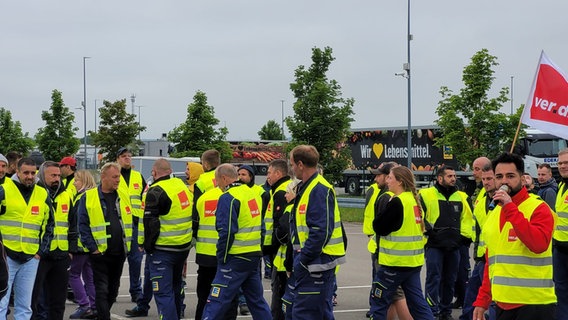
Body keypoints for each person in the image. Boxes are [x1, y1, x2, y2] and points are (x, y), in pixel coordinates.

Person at [473, 152, 557, 320]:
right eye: (499, 176)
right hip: (503, 303)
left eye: (510, 176)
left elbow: (538, 244)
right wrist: (482, 300)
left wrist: (510, 208)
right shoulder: (495, 213)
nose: (504, 181)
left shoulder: (539, 208)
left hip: (535, 304)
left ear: (522, 177)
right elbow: (491, 262)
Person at [201, 164, 271, 319]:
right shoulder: (252, 194)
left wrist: (222, 257)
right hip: (252, 256)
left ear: (224, 178)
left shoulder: (228, 197)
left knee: (216, 300)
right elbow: (262, 227)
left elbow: (226, 231)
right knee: (256, 301)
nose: (217, 184)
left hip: (235, 257)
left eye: (217, 180)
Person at [287, 145, 346, 319]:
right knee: (320, 313)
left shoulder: (319, 188)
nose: (291, 169)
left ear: (300, 164)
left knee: (304, 313)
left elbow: (320, 231)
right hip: (313, 261)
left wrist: (303, 260)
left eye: (291, 164)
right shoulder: (308, 187)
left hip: (316, 263)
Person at [369, 166, 433, 320]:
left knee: (378, 301)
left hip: (394, 263)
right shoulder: (413, 201)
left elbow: (379, 227)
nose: (387, 180)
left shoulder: (397, 202)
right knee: (417, 304)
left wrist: (387, 208)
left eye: (390, 177)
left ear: (399, 181)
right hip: (412, 264)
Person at [0, 158, 54, 320]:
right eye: (26, 173)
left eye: (33, 173)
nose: (30, 176)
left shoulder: (42, 193)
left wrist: (41, 252)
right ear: (17, 171)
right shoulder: (3, 190)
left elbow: (49, 224)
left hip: (31, 257)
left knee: (25, 306)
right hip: (6, 257)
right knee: (1, 303)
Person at [78, 162, 134, 320]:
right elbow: (82, 225)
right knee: (101, 290)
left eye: (119, 177)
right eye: (115, 177)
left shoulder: (122, 195)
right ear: (103, 177)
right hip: (100, 254)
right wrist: (93, 248)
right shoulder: (88, 197)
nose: (118, 180)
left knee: (113, 291)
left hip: (119, 253)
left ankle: (102, 314)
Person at [419, 165, 473, 320]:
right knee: (433, 278)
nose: (453, 179)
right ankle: (431, 311)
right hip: (435, 245)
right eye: (449, 176)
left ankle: (445, 312)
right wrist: (430, 233)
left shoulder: (462, 197)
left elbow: (468, 219)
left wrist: (463, 239)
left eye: (454, 176)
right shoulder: (426, 194)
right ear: (440, 178)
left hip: (454, 246)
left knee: (450, 280)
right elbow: (420, 217)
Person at [143, 159, 193, 319]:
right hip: (182, 247)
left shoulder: (156, 191)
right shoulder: (181, 186)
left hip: (163, 249)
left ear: (154, 172)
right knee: (176, 288)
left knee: (163, 293)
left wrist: (148, 247)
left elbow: (151, 224)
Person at [365, 162, 412, 320]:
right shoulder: (393, 196)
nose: (376, 178)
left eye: (380, 175)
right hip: (392, 254)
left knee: (394, 295)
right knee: (392, 296)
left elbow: (382, 226)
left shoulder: (389, 198)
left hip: (388, 255)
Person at [32, 161, 73, 320]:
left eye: (58, 175)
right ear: (42, 175)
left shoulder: (66, 195)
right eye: (53, 175)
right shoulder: (36, 194)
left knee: (58, 301)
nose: (57, 179)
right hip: (40, 255)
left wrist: (71, 250)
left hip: (61, 255)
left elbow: (72, 224)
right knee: (35, 300)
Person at [460, 164, 497, 320]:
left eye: (490, 179)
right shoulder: (482, 200)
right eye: (484, 179)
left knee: (493, 299)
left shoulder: (504, 201)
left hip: (495, 258)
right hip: (481, 256)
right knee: (472, 296)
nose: (486, 182)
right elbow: (479, 230)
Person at [116, 147, 146, 303]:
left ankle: (136, 291)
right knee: (116, 260)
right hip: (118, 224)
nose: (127, 158)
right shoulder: (113, 176)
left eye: (129, 156)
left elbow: (144, 198)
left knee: (136, 260)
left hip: (135, 225)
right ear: (118, 159)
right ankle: (113, 290)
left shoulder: (138, 177)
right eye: (123, 156)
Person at [68, 170, 97, 319]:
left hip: (80, 243)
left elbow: (77, 223)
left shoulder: (81, 197)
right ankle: (93, 306)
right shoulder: (94, 195)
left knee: (73, 275)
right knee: (89, 276)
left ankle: (84, 305)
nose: (74, 183)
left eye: (76, 180)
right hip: (91, 244)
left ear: (84, 181)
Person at [194, 180, 225, 320]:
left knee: (203, 295)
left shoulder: (204, 197)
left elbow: (195, 222)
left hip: (204, 254)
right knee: (222, 297)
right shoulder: (230, 197)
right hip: (223, 254)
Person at [265, 159, 292, 320]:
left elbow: (281, 227)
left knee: (279, 296)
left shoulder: (282, 192)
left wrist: (270, 247)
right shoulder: (277, 190)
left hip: (280, 255)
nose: (267, 176)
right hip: (278, 253)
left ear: (278, 173)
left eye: (269, 172)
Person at [553, 148, 568, 319]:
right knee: (560, 292)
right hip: (560, 248)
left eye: (566, 163)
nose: (563, 166)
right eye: (561, 163)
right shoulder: (562, 185)